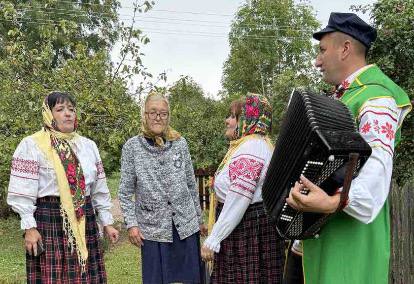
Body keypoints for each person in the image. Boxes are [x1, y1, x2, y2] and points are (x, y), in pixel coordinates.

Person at [285, 12, 412, 284]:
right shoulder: (343, 97)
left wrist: (333, 201)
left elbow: (378, 168)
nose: (317, 61)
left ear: (345, 49)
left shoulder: (376, 97)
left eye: (322, 50)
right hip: (313, 241)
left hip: (349, 241)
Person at [7, 91, 119, 283]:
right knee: (54, 276)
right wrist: (29, 228)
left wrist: (107, 222)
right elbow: (22, 191)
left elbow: (99, 188)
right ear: (49, 114)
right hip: (49, 220)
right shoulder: (32, 145)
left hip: (84, 218)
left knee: (86, 275)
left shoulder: (87, 146)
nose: (68, 114)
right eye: (60, 109)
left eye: (71, 109)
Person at [118, 91, 207, 284]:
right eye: (153, 112)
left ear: (168, 116)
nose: (158, 117)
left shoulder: (180, 143)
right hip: (152, 229)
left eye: (163, 113)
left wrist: (199, 219)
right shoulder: (132, 147)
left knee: (191, 279)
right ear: (145, 115)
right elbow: (125, 192)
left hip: (185, 226)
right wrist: (132, 224)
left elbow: (191, 184)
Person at [201, 93, 285, 283]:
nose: (227, 120)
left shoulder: (251, 148)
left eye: (232, 116)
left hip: (247, 231)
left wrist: (214, 239)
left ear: (247, 119)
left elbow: (238, 198)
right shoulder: (254, 145)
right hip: (248, 227)